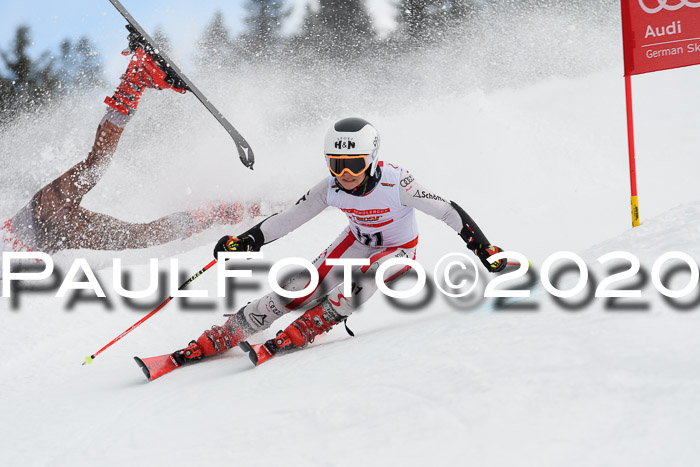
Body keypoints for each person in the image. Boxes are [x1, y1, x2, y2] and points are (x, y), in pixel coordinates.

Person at [173, 117, 507, 366]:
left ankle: (323, 317)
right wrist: (246, 241)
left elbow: (448, 211)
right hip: (357, 241)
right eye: (336, 165)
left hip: (398, 250)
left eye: (354, 165)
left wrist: (483, 249)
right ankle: (242, 323)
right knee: (299, 288)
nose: (345, 175)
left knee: (370, 274)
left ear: (371, 159)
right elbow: (287, 220)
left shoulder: (397, 182)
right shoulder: (329, 188)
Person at [0, 35, 257, 279]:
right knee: (138, 233)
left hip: (40, 217)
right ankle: (216, 214)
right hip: (51, 234)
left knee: (98, 169)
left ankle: (137, 76)